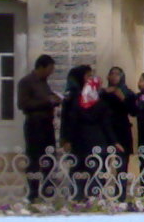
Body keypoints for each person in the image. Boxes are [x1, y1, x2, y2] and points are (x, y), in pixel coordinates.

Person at [59, 64, 112, 200]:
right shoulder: (72, 97)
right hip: (78, 140)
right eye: (88, 76)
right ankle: (78, 200)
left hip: (95, 140)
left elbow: (104, 119)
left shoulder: (96, 95)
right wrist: (66, 139)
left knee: (96, 172)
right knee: (78, 171)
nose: (91, 79)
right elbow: (67, 119)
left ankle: (94, 201)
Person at [16, 53, 60, 201]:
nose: (50, 73)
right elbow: (23, 104)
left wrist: (56, 100)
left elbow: (48, 99)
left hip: (47, 124)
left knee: (49, 157)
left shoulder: (44, 83)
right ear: (41, 67)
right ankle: (33, 192)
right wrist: (47, 101)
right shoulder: (26, 82)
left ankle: (49, 190)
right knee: (34, 158)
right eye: (49, 69)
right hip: (34, 125)